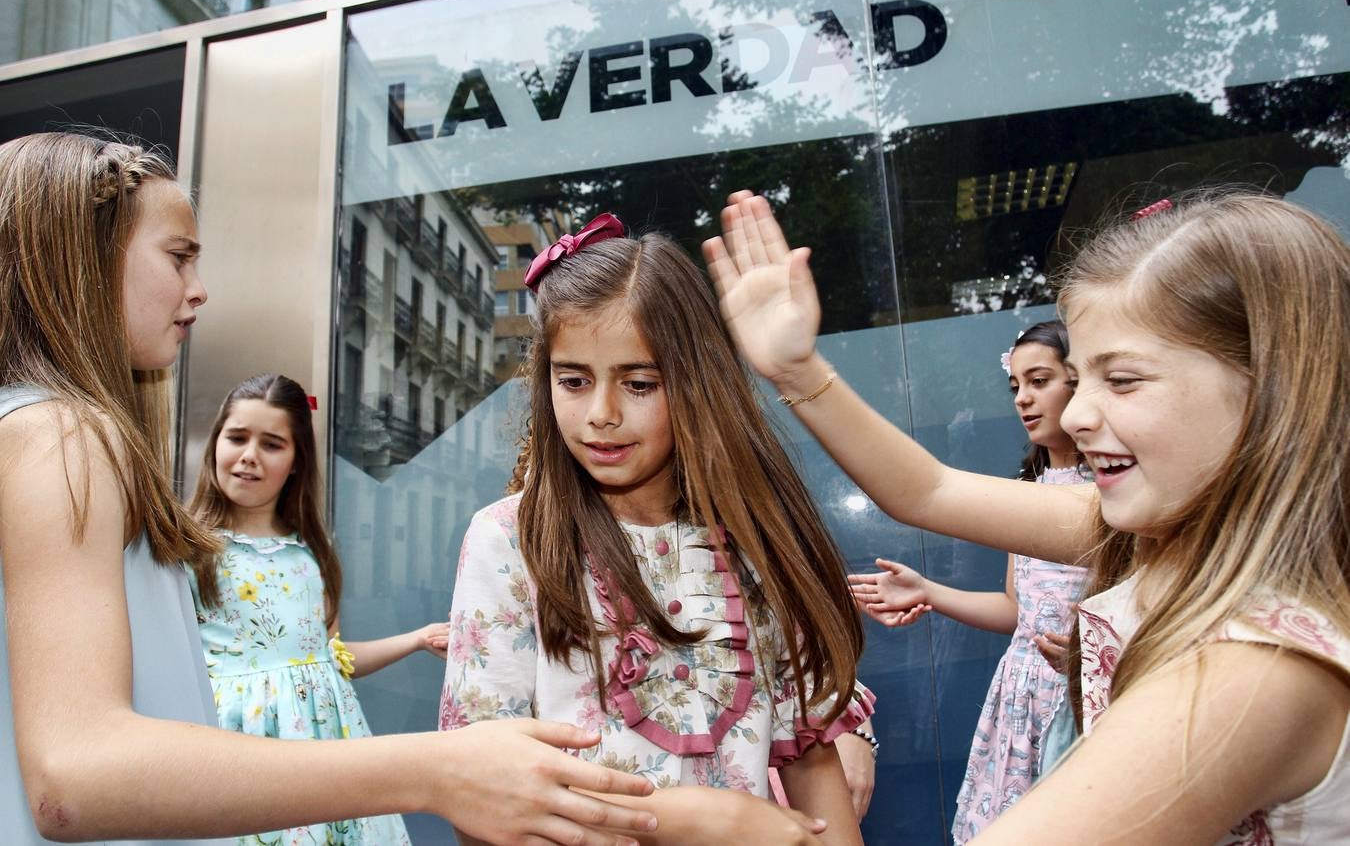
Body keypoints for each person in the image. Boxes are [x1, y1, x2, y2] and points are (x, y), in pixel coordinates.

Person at [0, 130, 664, 846]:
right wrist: (436, 769)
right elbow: (76, 773)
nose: (199, 289)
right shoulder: (59, 435)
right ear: (88, 257)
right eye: (178, 256)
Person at [704, 190, 1350, 843]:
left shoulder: (1249, 674)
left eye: (1122, 380)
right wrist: (795, 369)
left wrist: (756, 829)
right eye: (1080, 378)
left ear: (1269, 389)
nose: (1075, 416)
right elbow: (927, 491)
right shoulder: (1166, 535)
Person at [439, 214, 872, 845]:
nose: (601, 414)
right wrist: (705, 822)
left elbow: (811, 759)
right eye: (573, 381)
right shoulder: (510, 541)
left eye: (639, 383)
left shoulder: (752, 539)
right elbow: (481, 801)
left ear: (695, 383)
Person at [187, 373, 453, 844]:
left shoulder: (311, 554)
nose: (249, 456)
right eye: (237, 437)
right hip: (236, 756)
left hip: (329, 754)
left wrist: (414, 639)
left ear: (295, 462)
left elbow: (331, 662)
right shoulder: (185, 550)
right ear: (215, 445)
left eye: (271, 444)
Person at [848, 321, 1088, 841]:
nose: (1023, 399)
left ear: (1081, 381)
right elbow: (1015, 612)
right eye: (1015, 386)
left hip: (1086, 701)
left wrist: (1098, 656)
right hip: (1020, 699)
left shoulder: (1114, 490)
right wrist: (927, 591)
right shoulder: (1028, 488)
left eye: (1039, 381)